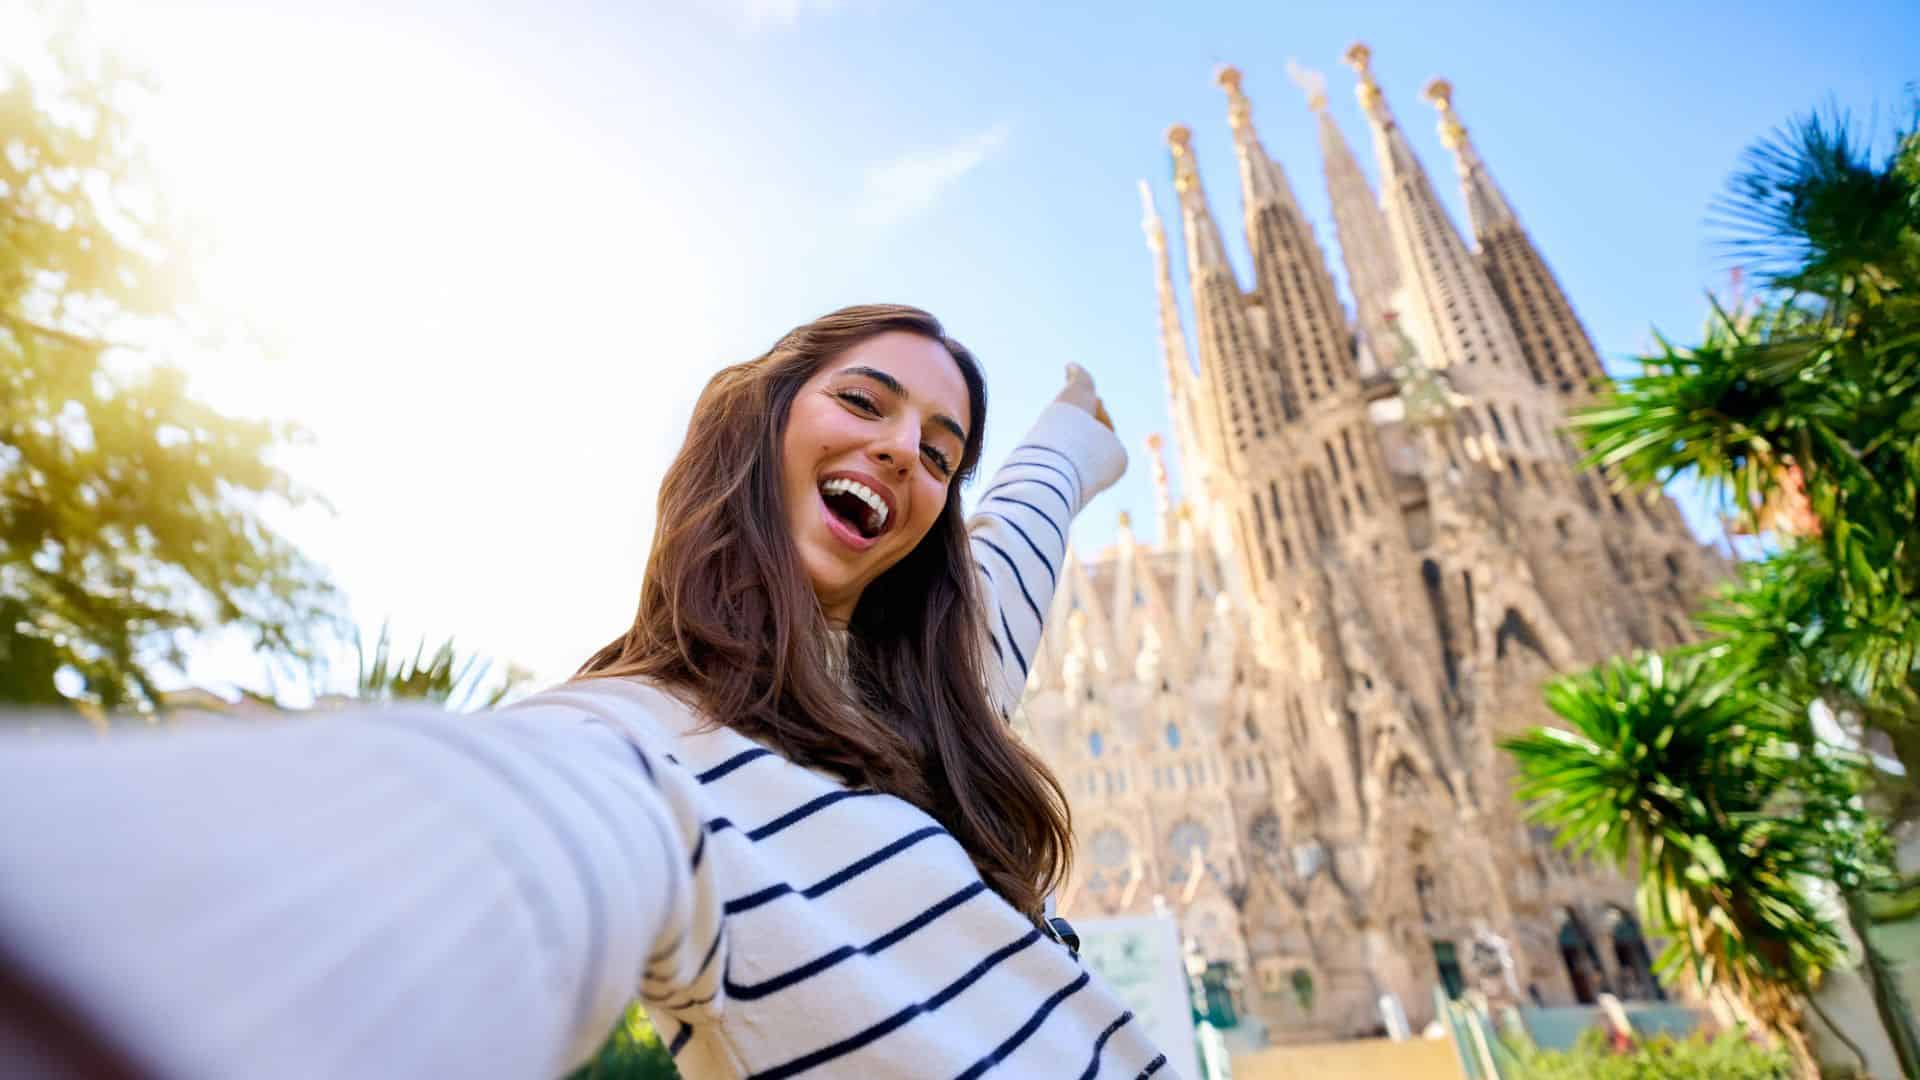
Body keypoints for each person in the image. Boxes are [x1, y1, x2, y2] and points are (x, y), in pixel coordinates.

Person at [0, 305, 1173, 1079]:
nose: (904, 452)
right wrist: (120, 961)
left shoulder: (938, 701)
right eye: (864, 403)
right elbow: (501, 836)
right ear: (760, 423)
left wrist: (1070, 436)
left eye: (940, 448)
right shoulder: (648, 743)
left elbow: (1014, 548)